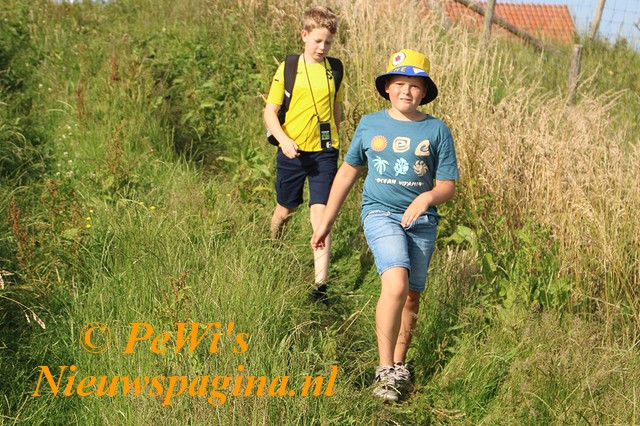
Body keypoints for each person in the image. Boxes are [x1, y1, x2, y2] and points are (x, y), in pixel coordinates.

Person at [311, 49, 458, 401]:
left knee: (412, 295)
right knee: (395, 284)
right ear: (387, 88)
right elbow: (348, 173)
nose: (407, 91)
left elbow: (447, 186)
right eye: (400, 83)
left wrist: (426, 198)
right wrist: (326, 222)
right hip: (380, 213)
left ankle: (399, 364)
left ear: (425, 91)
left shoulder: (437, 130)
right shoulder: (370, 124)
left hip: (422, 220)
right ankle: (384, 369)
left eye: (415, 85)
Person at [264, 6, 343, 305]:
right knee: (285, 210)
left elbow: (336, 108)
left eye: (328, 43)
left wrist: (335, 140)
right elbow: (270, 112)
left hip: (324, 153)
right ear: (304, 35)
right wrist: (283, 140)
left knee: (321, 217)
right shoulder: (288, 67)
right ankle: (271, 248)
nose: (322, 48)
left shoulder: (335, 69)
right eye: (317, 41)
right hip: (292, 151)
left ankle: (320, 287)